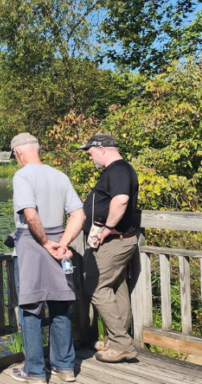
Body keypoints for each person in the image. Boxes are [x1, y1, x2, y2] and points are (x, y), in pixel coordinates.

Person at [6, 133, 85, 383]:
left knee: (31, 309)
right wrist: (61, 244)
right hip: (58, 246)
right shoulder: (59, 176)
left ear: (18, 153)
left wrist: (45, 242)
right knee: (60, 306)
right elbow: (79, 215)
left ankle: (35, 371)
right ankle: (64, 368)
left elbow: (29, 215)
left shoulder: (23, 175)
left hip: (32, 245)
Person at [79, 133, 140, 363]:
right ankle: (118, 341)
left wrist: (107, 227)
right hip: (119, 240)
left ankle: (122, 344)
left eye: (90, 152)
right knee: (117, 287)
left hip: (113, 241)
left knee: (94, 286)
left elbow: (121, 199)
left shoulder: (117, 170)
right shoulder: (120, 170)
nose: (90, 156)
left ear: (102, 148)